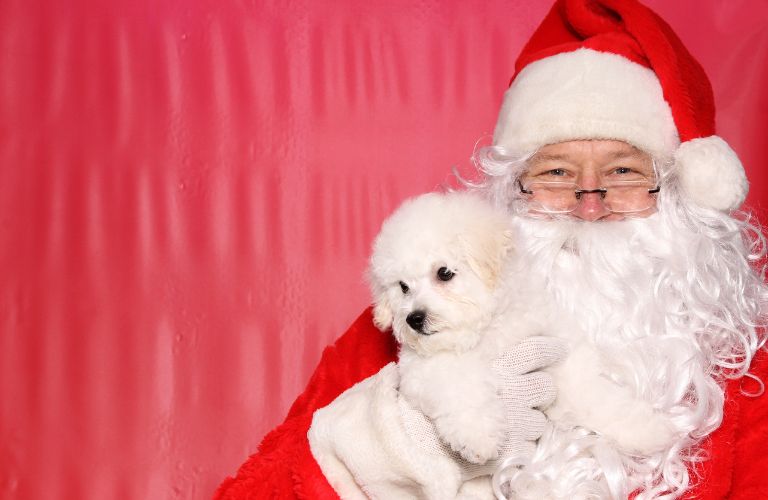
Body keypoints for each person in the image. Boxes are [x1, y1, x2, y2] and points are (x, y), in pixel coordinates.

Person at [215, 0, 768, 498]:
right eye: (556, 173)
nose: (589, 205)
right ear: (509, 191)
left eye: (623, 172)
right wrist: (396, 440)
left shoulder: (746, 373)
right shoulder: (406, 325)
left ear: (675, 191)